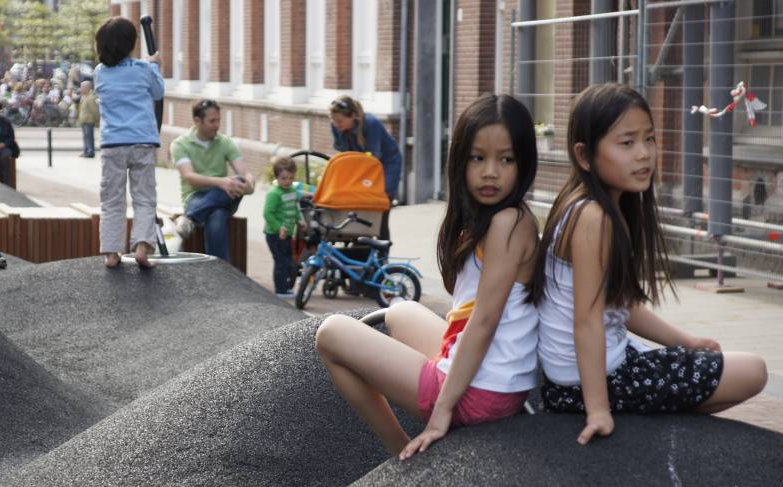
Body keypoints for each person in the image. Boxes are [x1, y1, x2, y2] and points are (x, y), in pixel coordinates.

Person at [529, 83, 768, 445]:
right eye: (626, 143)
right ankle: (639, 418)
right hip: (589, 384)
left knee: (727, 365)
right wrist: (598, 410)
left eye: (649, 139)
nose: (644, 154)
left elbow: (619, 303)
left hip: (587, 373)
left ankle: (642, 409)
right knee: (754, 371)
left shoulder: (586, 205)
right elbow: (587, 322)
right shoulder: (594, 218)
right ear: (584, 155)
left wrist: (686, 341)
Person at [316, 93, 540, 459]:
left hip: (481, 395)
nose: (490, 172)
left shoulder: (508, 222)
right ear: (460, 161)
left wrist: (442, 413)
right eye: (478, 158)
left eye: (506, 159)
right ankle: (441, 389)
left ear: (524, 163)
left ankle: (399, 450)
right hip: (488, 383)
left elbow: (484, 323)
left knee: (331, 334)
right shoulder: (494, 219)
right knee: (400, 311)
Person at [94, 16, 164, 269]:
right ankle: (142, 247)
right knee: (144, 197)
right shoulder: (144, 70)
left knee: (112, 199)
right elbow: (158, 92)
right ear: (132, 44)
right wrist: (154, 65)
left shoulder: (99, 73)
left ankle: (112, 252)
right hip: (143, 142)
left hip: (113, 144)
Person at [171, 99, 255, 264]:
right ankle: (221, 273)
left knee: (236, 180)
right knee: (217, 215)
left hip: (224, 195)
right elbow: (189, 177)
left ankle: (190, 218)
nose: (217, 125)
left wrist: (248, 184)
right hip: (195, 197)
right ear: (197, 120)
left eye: (218, 120)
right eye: (212, 121)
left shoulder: (225, 142)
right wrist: (220, 182)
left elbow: (245, 173)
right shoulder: (180, 144)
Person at [330, 95, 402, 240]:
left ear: (352, 116)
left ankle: (381, 255)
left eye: (340, 121)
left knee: (380, 210)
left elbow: (372, 160)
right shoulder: (336, 126)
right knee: (358, 208)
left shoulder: (371, 124)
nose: (336, 124)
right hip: (363, 166)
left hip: (386, 165)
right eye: (333, 120)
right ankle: (361, 250)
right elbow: (343, 154)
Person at [263, 156, 304, 298]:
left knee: (288, 260)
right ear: (277, 177)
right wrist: (279, 227)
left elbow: (295, 208)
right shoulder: (274, 193)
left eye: (291, 178)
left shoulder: (292, 190)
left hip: (287, 234)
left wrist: (300, 220)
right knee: (280, 261)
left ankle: (286, 287)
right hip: (274, 234)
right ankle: (280, 290)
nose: (287, 181)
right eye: (284, 178)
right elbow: (268, 213)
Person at [77, 80, 99, 158]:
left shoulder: (91, 97)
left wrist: (97, 120)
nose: (81, 89)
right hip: (84, 120)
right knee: (86, 137)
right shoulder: (84, 97)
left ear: (87, 88)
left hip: (88, 120)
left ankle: (90, 151)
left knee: (89, 137)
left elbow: (94, 110)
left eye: (82, 87)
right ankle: (86, 150)